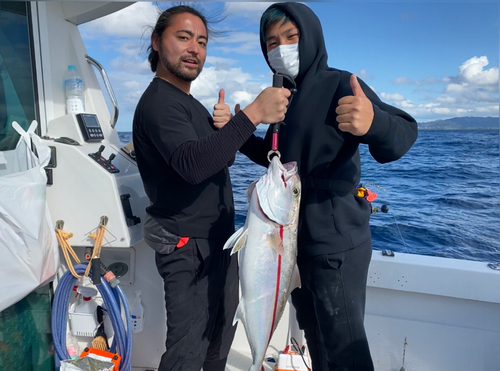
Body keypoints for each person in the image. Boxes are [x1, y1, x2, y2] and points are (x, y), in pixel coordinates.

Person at [238, 3, 418, 371]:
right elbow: (278, 160)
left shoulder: (340, 82)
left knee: (344, 350)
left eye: (291, 37)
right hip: (292, 243)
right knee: (318, 344)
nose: (280, 48)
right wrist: (237, 134)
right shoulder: (280, 97)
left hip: (335, 241)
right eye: (271, 42)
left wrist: (374, 124)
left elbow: (403, 134)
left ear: (312, 37)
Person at [132, 5, 291, 371]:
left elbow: (217, 157)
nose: (194, 49)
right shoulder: (158, 102)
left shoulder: (188, 103)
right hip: (188, 248)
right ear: (157, 42)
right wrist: (252, 114)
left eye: (201, 41)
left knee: (218, 341)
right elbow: (194, 165)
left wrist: (227, 128)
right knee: (187, 351)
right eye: (183, 37)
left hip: (218, 242)